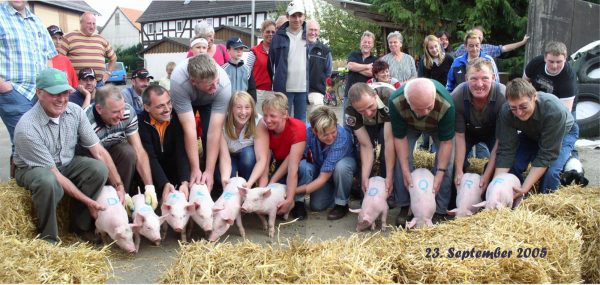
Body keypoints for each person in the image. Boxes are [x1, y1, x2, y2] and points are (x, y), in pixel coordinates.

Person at [13, 68, 123, 243]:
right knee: (48, 182)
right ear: (39, 93)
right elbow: (54, 173)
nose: (62, 99)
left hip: (64, 163)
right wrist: (90, 201)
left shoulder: (75, 111)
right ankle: (49, 239)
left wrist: (119, 185)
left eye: (65, 92)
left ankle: (79, 227)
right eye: (55, 94)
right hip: (34, 169)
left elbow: (99, 151)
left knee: (98, 169)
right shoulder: (27, 127)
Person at [0, 0, 57, 177]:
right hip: (14, 90)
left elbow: (49, 55)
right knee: (25, 140)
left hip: (40, 91)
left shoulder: (36, 20)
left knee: (41, 138)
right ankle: (25, 188)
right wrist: (3, 85)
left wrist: (49, 86)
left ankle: (25, 185)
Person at [389, 78, 455, 226]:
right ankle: (405, 205)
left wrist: (440, 172)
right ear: (408, 101)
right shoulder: (396, 101)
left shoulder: (447, 103)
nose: (424, 113)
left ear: (433, 98)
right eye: (418, 109)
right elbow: (399, 138)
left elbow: (446, 142)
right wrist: (406, 169)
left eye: (428, 107)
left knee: (448, 162)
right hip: (409, 125)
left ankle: (440, 209)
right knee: (401, 162)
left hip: (437, 125)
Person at [495, 78, 578, 194]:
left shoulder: (553, 110)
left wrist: (525, 188)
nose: (519, 113)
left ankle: (544, 202)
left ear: (534, 97)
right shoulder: (506, 111)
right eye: (513, 108)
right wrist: (497, 183)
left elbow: (546, 155)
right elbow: (506, 149)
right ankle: (515, 196)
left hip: (562, 133)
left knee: (551, 172)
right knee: (513, 165)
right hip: (530, 133)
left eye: (523, 106)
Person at [82, 85, 157, 201]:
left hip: (110, 148)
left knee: (128, 152)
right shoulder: (86, 121)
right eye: (116, 111)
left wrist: (149, 187)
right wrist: (118, 185)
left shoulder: (128, 112)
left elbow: (139, 149)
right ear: (99, 109)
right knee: (99, 167)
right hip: (89, 155)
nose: (122, 115)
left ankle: (123, 198)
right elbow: (100, 155)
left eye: (122, 109)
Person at [170, 53, 232, 189]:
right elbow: (190, 130)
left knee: (209, 131)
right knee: (181, 134)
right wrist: (195, 168)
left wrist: (208, 171)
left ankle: (210, 174)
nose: (215, 87)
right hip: (185, 97)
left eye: (216, 81)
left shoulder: (224, 85)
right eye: (210, 85)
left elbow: (214, 131)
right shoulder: (178, 81)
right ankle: (187, 176)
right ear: (194, 82)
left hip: (210, 102)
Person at [452, 58, 506, 191]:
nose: (479, 84)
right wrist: (458, 170)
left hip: (493, 133)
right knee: (452, 161)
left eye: (485, 78)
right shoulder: (457, 96)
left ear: (493, 78)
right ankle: (453, 199)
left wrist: (486, 176)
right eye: (474, 79)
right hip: (467, 133)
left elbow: (501, 140)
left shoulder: (502, 96)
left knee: (503, 160)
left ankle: (488, 194)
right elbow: (459, 136)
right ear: (466, 78)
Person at [296, 106, 356, 220]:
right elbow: (296, 158)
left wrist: (292, 191)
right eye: (325, 134)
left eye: (333, 132)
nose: (330, 137)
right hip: (324, 169)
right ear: (314, 131)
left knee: (341, 167)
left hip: (341, 168)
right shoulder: (308, 131)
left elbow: (323, 178)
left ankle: (342, 204)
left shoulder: (341, 136)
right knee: (317, 206)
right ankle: (338, 190)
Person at [138, 84, 191, 202]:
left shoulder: (176, 117)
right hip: (152, 170)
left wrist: (185, 181)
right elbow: (149, 157)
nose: (167, 109)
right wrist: (164, 183)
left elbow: (181, 151)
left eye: (169, 103)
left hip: (172, 167)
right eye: (160, 106)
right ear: (147, 107)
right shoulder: (140, 123)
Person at [345, 83, 397, 200]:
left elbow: (389, 141)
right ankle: (365, 189)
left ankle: (389, 190)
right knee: (360, 153)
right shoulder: (350, 109)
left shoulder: (389, 96)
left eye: (369, 106)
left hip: (386, 119)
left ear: (374, 95)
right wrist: (365, 176)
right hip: (367, 125)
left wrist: (389, 176)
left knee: (386, 151)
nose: (368, 113)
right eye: (361, 110)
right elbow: (365, 145)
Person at [260, 92, 306, 219]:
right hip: (280, 161)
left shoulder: (297, 128)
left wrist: (290, 199)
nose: (267, 120)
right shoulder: (264, 127)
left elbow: (292, 168)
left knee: (304, 169)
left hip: (299, 161)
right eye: (265, 115)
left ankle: (298, 202)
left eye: (272, 116)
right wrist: (263, 191)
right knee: (274, 193)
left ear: (285, 114)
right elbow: (264, 162)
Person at [218, 91, 269, 188]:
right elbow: (224, 156)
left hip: (248, 156)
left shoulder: (258, 122)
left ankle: (248, 183)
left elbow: (261, 159)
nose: (243, 112)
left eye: (247, 107)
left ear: (252, 108)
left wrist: (249, 183)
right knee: (226, 177)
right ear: (231, 109)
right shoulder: (223, 122)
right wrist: (225, 179)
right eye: (238, 107)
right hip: (230, 156)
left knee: (248, 156)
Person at [269, 0, 309, 122]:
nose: (297, 19)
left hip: (303, 88)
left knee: (301, 121)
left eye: (300, 15)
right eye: (293, 16)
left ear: (304, 15)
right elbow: (271, 62)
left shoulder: (310, 34)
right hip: (284, 88)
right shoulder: (278, 37)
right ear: (287, 17)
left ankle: (300, 142)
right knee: (282, 120)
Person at [59, 12, 117, 86]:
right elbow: (59, 59)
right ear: (81, 23)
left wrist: (108, 73)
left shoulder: (101, 39)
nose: (92, 26)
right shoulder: (69, 37)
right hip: (76, 84)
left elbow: (113, 58)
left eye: (94, 24)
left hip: (98, 84)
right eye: (89, 23)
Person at [418, 35, 454, 152]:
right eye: (431, 48)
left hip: (447, 94)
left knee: (442, 121)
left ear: (439, 45)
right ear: (427, 50)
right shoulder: (424, 61)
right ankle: (425, 145)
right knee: (428, 120)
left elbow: (452, 77)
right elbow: (421, 79)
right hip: (430, 94)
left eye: (436, 46)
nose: (434, 49)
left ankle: (437, 146)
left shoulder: (448, 59)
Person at [524, 41, 577, 113]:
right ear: (545, 58)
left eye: (559, 62)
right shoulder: (536, 63)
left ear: (565, 59)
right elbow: (523, 83)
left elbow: (565, 111)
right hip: (535, 101)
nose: (554, 66)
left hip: (560, 106)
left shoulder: (568, 77)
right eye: (551, 61)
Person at [344, 31, 377, 111]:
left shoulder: (375, 59)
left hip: (366, 97)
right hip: (349, 94)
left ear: (372, 45)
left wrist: (356, 68)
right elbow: (350, 66)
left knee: (365, 120)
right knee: (349, 121)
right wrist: (367, 66)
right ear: (361, 43)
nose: (367, 44)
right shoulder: (353, 54)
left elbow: (371, 73)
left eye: (369, 42)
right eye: (365, 42)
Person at [248, 20, 276, 112]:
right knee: (258, 120)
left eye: (273, 32)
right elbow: (247, 72)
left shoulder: (278, 51)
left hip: (274, 92)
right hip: (258, 92)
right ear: (262, 33)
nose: (270, 34)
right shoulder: (254, 51)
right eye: (268, 31)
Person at [453, 26, 529, 58]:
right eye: (475, 35)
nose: (477, 38)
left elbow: (504, 48)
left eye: (479, 37)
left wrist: (522, 42)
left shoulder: (487, 49)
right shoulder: (462, 48)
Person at [306, 20, 333, 97]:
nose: (313, 33)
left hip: (316, 93)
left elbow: (328, 72)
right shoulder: (299, 47)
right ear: (305, 30)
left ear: (319, 32)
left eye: (315, 30)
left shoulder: (325, 51)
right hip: (298, 92)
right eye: (311, 29)